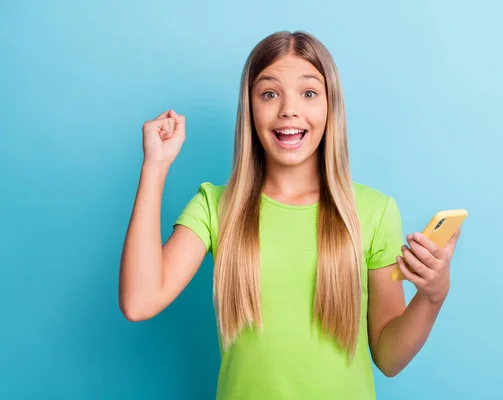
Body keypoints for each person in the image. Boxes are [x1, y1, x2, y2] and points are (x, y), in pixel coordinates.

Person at [119, 30, 461, 400]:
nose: (289, 109)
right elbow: (139, 301)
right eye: (269, 94)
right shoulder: (216, 207)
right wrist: (155, 165)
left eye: (309, 93)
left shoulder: (374, 212)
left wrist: (432, 296)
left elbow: (390, 358)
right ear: (250, 109)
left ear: (331, 107)